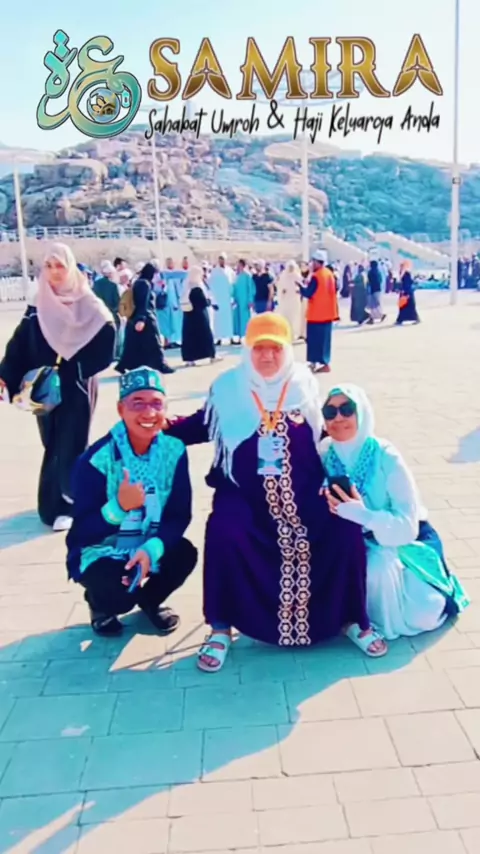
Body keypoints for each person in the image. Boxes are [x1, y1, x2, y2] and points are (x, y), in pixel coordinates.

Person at [166, 313, 386, 671]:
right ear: (247, 349)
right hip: (245, 499)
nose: (267, 356)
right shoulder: (229, 389)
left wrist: (365, 444)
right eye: (259, 348)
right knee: (224, 529)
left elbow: (329, 428)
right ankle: (220, 628)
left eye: (276, 348)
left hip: (304, 496)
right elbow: (203, 425)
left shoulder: (305, 385)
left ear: (287, 350)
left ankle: (352, 618)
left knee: (344, 525)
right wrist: (154, 427)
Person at [319, 384, 469, 640]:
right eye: (330, 412)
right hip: (349, 542)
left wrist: (364, 515)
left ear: (362, 412)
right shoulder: (325, 453)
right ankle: (356, 620)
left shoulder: (385, 455)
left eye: (347, 409)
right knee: (369, 566)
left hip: (402, 542)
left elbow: (407, 525)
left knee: (426, 611)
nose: (338, 418)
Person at [66, 367, 197, 636]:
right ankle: (100, 605)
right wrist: (118, 508)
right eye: (137, 403)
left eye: (156, 404)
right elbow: (81, 533)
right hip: (105, 549)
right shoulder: (96, 460)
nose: (149, 413)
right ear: (120, 409)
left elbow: (179, 514)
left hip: (148, 541)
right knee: (118, 595)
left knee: (184, 554)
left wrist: (152, 549)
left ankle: (150, 601)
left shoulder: (174, 451)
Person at [0, 243, 115, 531]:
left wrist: (77, 371)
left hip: (76, 387)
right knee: (52, 441)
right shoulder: (38, 304)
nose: (54, 272)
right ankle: (52, 503)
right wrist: (6, 376)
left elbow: (107, 337)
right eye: (49, 266)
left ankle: (70, 504)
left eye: (60, 266)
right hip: (46, 388)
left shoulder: (88, 304)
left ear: (71, 267)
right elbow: (19, 344)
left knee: (71, 441)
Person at [116, 264, 175, 375]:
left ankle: (124, 365)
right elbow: (143, 302)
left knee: (134, 344)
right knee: (154, 343)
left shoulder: (138, 282)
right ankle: (161, 365)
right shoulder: (145, 284)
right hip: (146, 318)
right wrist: (141, 319)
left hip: (135, 318)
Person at [300, 251, 339, 373]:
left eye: (313, 261)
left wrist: (300, 286)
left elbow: (308, 293)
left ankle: (315, 363)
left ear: (317, 262)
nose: (311, 264)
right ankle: (324, 363)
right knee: (324, 341)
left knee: (314, 341)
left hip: (316, 314)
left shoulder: (317, 276)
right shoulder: (329, 274)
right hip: (327, 313)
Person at [180, 266, 216, 366]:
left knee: (190, 338)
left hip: (188, 316)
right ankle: (212, 355)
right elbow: (202, 302)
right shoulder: (197, 287)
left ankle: (190, 359)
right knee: (206, 336)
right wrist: (209, 301)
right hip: (200, 317)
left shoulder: (186, 285)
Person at [208, 253, 235, 343]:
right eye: (220, 259)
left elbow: (233, 284)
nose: (221, 261)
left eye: (223, 259)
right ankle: (218, 338)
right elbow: (211, 287)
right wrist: (213, 300)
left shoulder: (230, 271)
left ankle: (231, 338)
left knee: (229, 320)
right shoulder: (214, 272)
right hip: (218, 300)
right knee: (218, 320)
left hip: (227, 299)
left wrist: (232, 298)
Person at [275, 260, 303, 339]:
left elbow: (302, 286)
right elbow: (279, 286)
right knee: (285, 317)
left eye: (292, 267)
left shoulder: (297, 276)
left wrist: (298, 290)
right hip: (286, 300)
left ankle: (293, 334)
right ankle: (285, 333)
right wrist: (282, 291)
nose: (291, 269)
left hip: (294, 300)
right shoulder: (283, 275)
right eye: (290, 267)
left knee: (294, 317)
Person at [233, 259, 254, 340]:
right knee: (237, 318)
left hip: (245, 301)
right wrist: (234, 298)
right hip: (238, 300)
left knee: (245, 318)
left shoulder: (247, 275)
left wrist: (250, 300)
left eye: (239, 265)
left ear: (243, 265)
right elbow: (235, 288)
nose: (238, 267)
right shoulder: (237, 276)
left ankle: (246, 335)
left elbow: (251, 289)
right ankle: (239, 336)